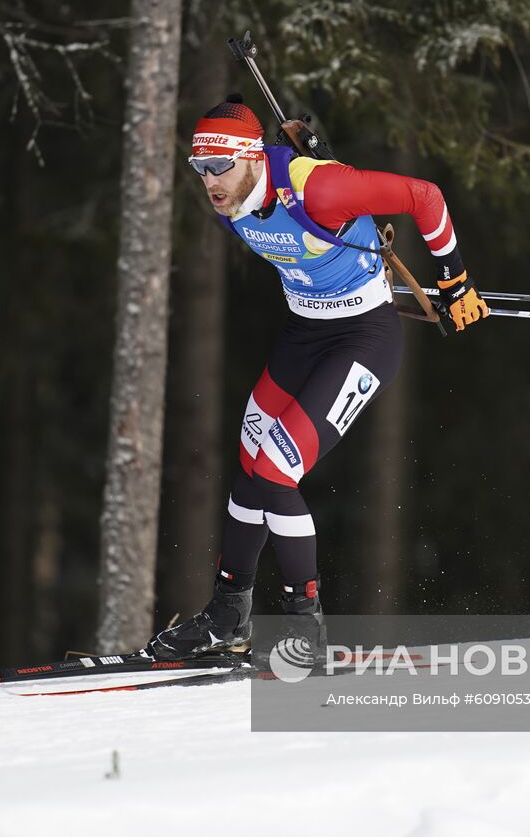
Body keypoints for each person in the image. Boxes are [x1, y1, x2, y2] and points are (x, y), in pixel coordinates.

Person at [144, 94, 488, 660]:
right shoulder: (230, 196)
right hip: (305, 332)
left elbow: (424, 196)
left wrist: (453, 280)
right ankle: (228, 614)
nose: (209, 181)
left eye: (219, 166)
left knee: (279, 471)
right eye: (199, 168)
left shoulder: (319, 187)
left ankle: (305, 626)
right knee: (254, 460)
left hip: (363, 339)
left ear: (252, 155)